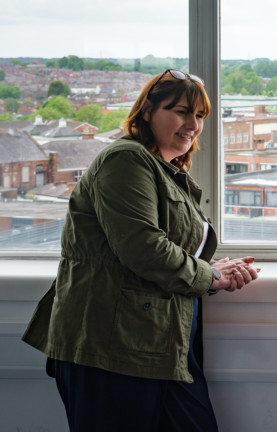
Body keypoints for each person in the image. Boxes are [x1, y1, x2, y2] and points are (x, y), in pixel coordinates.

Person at [22, 69, 260, 432]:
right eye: (181, 111)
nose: (193, 125)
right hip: (111, 349)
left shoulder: (166, 171)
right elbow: (143, 248)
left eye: (199, 116)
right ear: (147, 111)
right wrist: (209, 275)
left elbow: (163, 249)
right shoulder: (125, 160)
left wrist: (212, 273)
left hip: (162, 346)